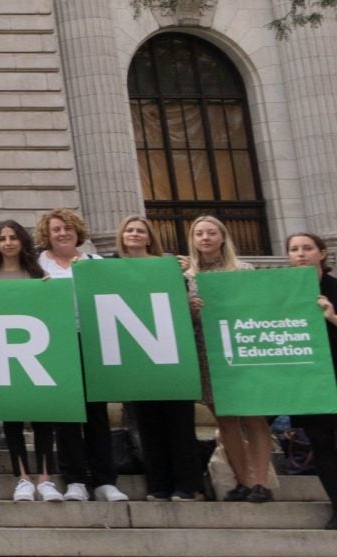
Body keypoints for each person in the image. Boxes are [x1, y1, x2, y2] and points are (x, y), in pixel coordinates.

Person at [37, 207, 127, 502]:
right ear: (47, 235)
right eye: (56, 230)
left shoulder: (95, 263)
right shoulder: (37, 265)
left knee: (96, 413)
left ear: (77, 232)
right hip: (54, 344)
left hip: (92, 342)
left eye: (67, 228)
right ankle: (74, 479)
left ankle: (104, 480)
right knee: (66, 414)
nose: (62, 233)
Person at [0, 218, 62, 503]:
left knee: (43, 418)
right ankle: (22, 477)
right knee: (11, 418)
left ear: (22, 241)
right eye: (2, 238)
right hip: (2, 355)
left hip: (38, 355)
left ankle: (46, 479)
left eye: (13, 237)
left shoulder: (39, 274)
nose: (8, 243)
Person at [113, 214, 201, 500]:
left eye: (141, 231)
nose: (135, 235)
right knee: (147, 423)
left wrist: (186, 279)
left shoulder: (170, 267)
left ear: (150, 237)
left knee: (180, 422)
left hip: (172, 351)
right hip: (135, 355)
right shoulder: (111, 268)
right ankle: (159, 485)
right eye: (130, 230)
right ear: (122, 237)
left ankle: (187, 485)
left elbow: (184, 307)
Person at [186, 214, 271, 502]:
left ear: (223, 237)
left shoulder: (244, 271)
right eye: (200, 234)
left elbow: (260, 310)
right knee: (225, 421)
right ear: (193, 240)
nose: (206, 238)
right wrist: (191, 310)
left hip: (243, 352)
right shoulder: (187, 278)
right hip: (207, 353)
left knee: (254, 418)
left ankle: (262, 482)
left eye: (211, 232)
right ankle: (243, 482)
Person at [282, 230, 337, 528]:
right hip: (307, 379)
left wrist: (332, 316)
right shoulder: (284, 293)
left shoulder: (334, 288)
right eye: (294, 249)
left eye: (306, 248)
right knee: (321, 443)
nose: (300, 254)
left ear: (322, 253)